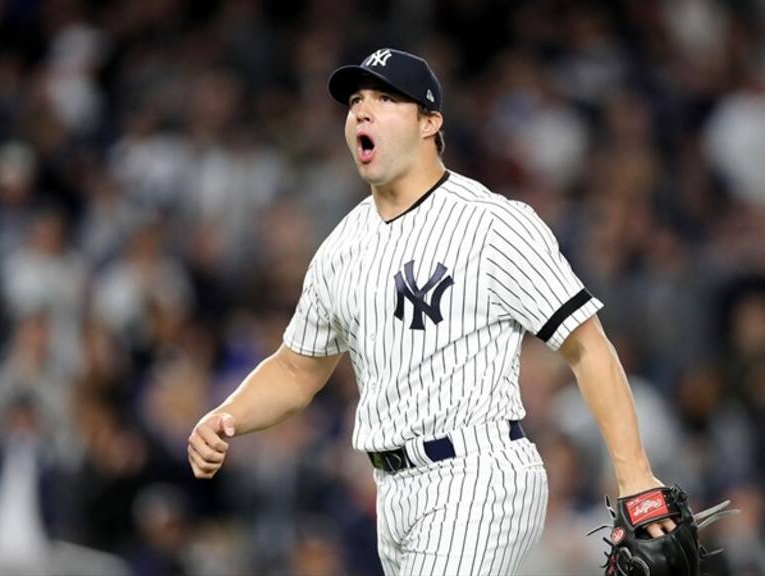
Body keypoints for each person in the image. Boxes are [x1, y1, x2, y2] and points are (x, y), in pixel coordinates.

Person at [187, 48, 674, 575]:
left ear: (429, 121)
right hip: (391, 494)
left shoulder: (491, 224)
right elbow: (296, 369)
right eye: (355, 101)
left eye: (385, 98)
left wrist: (636, 477)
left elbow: (587, 346)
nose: (362, 112)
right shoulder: (341, 247)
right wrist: (226, 415)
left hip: (478, 476)